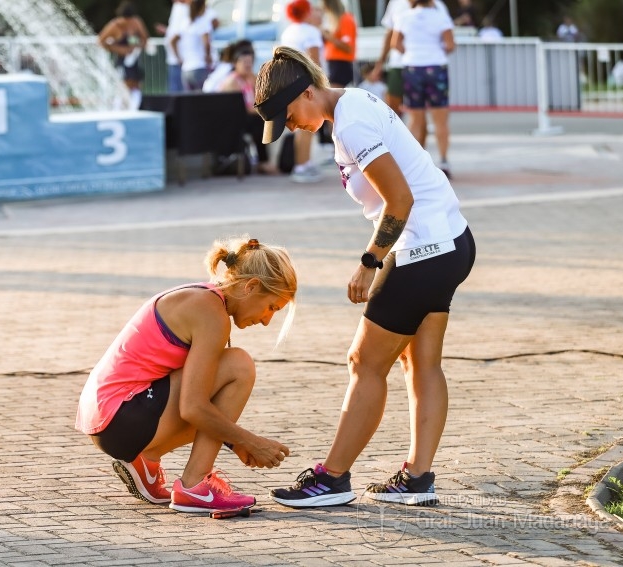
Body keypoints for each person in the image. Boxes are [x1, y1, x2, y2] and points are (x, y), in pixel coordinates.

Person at [253, 46, 476, 508]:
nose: (290, 126)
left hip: (424, 248)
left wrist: (368, 262)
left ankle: (331, 479)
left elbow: (400, 200)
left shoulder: (351, 123)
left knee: (364, 362)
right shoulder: (351, 105)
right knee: (421, 362)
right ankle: (417, 479)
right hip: (449, 241)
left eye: (289, 115)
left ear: (308, 92)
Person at [76, 236, 297, 513]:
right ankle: (194, 487)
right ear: (251, 287)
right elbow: (193, 407)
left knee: (230, 367)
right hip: (119, 416)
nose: (267, 320)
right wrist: (249, 441)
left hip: (108, 419)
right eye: (272, 307)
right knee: (239, 365)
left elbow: (202, 396)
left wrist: (232, 441)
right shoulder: (209, 312)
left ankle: (146, 460)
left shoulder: (207, 299)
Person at [392, 0, 456, 177]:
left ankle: (415, 164)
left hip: (412, 67)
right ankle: (444, 161)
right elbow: (450, 44)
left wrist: (412, 52)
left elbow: (395, 43)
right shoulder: (440, 15)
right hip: (436, 67)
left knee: (415, 118)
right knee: (440, 119)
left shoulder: (404, 16)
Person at [371, 0, 451, 117]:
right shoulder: (396, 3)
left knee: (417, 114)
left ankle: (415, 136)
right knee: (393, 109)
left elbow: (394, 40)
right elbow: (390, 34)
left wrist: (414, 54)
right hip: (401, 63)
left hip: (413, 65)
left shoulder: (438, 5)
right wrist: (380, 63)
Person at [280, 0, 325, 183]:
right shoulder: (311, 32)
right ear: (306, 12)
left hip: (289, 80)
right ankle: (302, 165)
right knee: (307, 125)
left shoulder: (288, 31)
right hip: (305, 82)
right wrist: (321, 84)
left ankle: (304, 163)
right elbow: (314, 61)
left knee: (301, 125)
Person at [219, 42, 280, 174]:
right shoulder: (232, 82)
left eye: (250, 62)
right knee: (260, 123)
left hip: (248, 117)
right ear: (235, 63)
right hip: (234, 121)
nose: (247, 65)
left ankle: (270, 161)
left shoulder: (251, 78)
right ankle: (263, 162)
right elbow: (242, 109)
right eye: (244, 62)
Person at [99, 1, 149, 110]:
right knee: (124, 85)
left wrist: (136, 46)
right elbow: (100, 41)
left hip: (134, 59)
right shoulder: (115, 25)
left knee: (135, 84)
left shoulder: (136, 23)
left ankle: (134, 109)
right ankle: (118, 109)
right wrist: (119, 49)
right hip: (122, 60)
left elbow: (144, 39)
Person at [171, 0, 214, 91]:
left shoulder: (185, 22)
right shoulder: (203, 22)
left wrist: (178, 57)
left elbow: (172, 41)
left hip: (186, 69)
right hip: (199, 66)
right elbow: (206, 43)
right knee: (201, 100)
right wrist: (208, 56)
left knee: (190, 101)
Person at [321, 0, 357, 89]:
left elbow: (348, 47)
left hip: (341, 63)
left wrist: (328, 36)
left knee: (335, 94)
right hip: (334, 63)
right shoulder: (337, 21)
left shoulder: (346, 19)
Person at [158, 0, 190, 93]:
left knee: (177, 93)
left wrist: (178, 57)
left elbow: (179, 34)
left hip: (179, 59)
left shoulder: (182, 8)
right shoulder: (177, 7)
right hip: (175, 58)